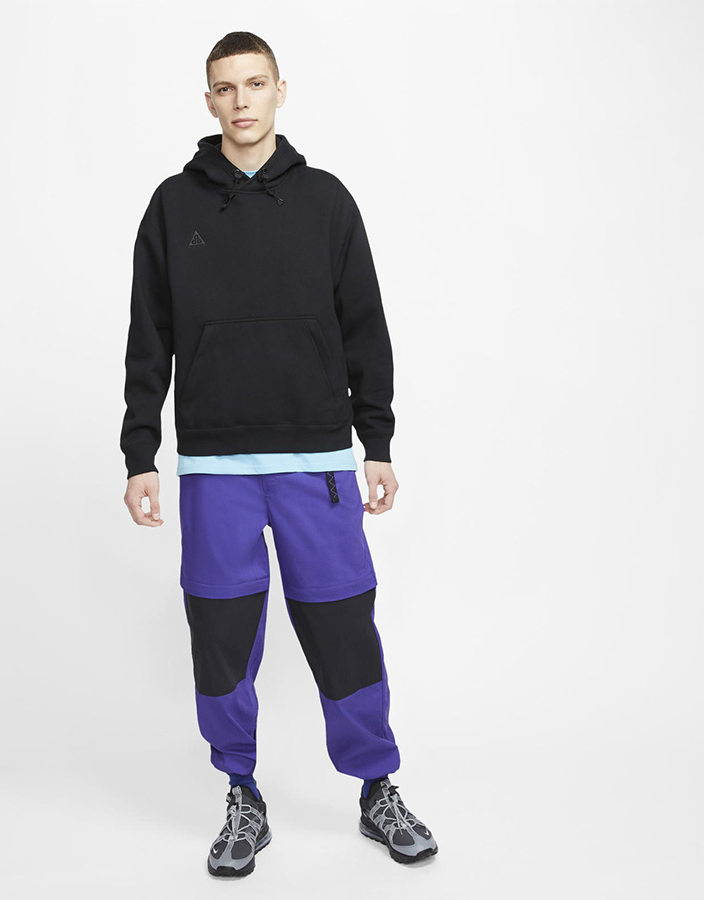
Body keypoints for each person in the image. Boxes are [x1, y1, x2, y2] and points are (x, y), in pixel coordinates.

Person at [120, 31, 438, 876]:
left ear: (280, 90)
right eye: (225, 88)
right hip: (215, 470)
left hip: (317, 462)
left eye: (255, 84)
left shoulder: (327, 201)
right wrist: (140, 452)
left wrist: (377, 440)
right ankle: (242, 796)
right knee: (222, 640)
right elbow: (148, 335)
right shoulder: (173, 206)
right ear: (209, 101)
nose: (242, 101)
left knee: (343, 629)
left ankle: (376, 789)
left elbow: (365, 325)